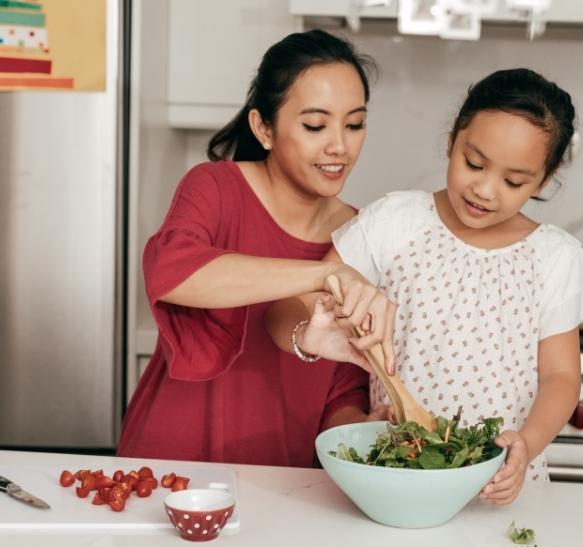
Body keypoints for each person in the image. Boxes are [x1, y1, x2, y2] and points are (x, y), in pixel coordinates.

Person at [266, 68, 583, 504]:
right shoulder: (394, 222)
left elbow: (562, 378)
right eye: (474, 163)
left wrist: (526, 444)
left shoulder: (554, 258)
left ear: (543, 179)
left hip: (500, 484)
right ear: (452, 140)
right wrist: (306, 334)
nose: (485, 190)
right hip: (397, 472)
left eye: (513, 181)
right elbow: (287, 306)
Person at [117, 29, 395, 467]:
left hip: (281, 478)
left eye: (355, 124)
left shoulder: (362, 234)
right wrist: (323, 273)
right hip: (175, 460)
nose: (340, 145)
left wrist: (361, 428)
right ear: (263, 127)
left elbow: (339, 386)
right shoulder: (216, 187)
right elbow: (170, 270)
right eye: (315, 125)